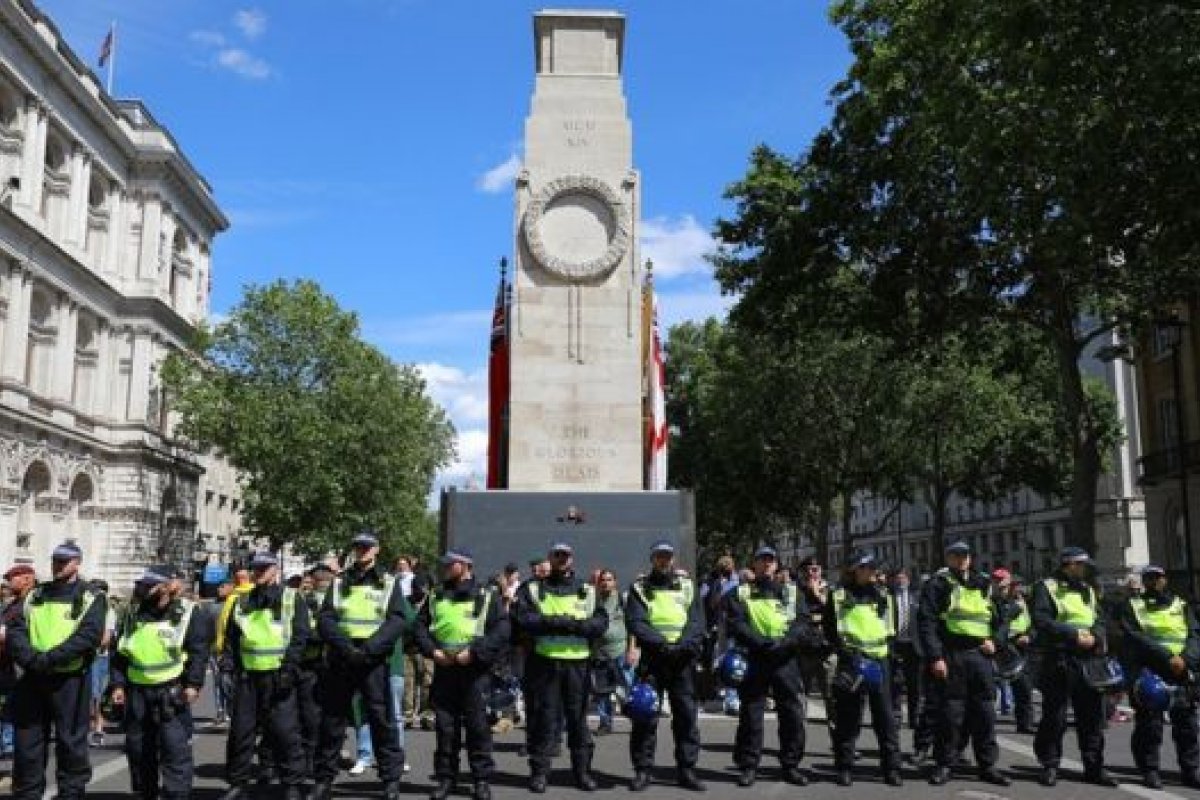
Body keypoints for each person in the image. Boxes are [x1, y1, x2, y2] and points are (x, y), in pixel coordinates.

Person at [310, 532, 410, 800]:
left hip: (373, 660)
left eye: (367, 547)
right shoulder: (339, 581)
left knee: (381, 720)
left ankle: (390, 780)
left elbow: (398, 621)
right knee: (332, 721)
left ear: (376, 550)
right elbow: (326, 619)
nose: (362, 551)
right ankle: (324, 780)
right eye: (358, 547)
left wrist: (367, 650)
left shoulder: (389, 583)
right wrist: (347, 649)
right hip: (342, 659)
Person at [6, 541, 106, 800]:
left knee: (70, 745)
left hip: (69, 680)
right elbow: (16, 628)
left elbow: (88, 636)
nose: (58, 566)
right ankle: (27, 794)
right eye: (55, 561)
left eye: (64, 561)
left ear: (76, 563)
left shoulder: (91, 597)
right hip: (33, 678)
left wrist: (49, 659)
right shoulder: (34, 595)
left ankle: (70, 794)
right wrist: (31, 659)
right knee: (27, 745)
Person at [515, 541, 609, 793]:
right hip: (544, 664)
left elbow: (601, 622)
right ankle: (539, 774)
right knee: (543, 720)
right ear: (550, 559)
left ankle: (582, 773)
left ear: (572, 559)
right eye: (557, 555)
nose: (561, 559)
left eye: (565, 555)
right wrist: (556, 622)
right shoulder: (532, 588)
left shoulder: (587, 590)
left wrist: (575, 626)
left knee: (578, 721)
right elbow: (522, 618)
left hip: (577, 665)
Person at [416, 549, 509, 800]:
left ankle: (481, 780)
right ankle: (446, 779)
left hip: (474, 670)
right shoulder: (435, 595)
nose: (444, 568)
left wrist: (475, 653)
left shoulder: (487, 595)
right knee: (445, 728)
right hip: (445, 668)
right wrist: (432, 651)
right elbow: (420, 628)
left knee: (478, 727)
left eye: (450, 564)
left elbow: (501, 631)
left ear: (465, 566)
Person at [110, 566, 209, 800]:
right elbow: (119, 653)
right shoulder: (131, 614)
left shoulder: (187, 612)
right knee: (138, 749)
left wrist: (193, 684)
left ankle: (177, 795)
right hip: (137, 693)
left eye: (149, 585)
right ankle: (146, 792)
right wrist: (117, 685)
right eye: (142, 585)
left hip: (171, 692)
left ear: (166, 587)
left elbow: (198, 651)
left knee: (174, 750)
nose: (143, 590)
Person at [917, 541, 1010, 787]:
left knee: (985, 713)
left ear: (970, 558)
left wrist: (996, 642)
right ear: (948, 558)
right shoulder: (938, 584)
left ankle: (987, 765)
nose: (961, 560)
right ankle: (945, 763)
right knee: (950, 714)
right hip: (952, 654)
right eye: (956, 556)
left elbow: (1003, 620)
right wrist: (935, 656)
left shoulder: (984, 584)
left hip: (980, 655)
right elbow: (926, 623)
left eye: (965, 556)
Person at [221, 552, 309, 800]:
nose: (258, 572)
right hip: (248, 676)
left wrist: (289, 669)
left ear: (275, 570)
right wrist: (229, 666)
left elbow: (300, 637)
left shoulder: (291, 598)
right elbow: (233, 638)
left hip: (279, 676)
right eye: (255, 568)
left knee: (285, 732)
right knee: (241, 732)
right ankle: (237, 784)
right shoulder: (242, 601)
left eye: (263, 568)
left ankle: (291, 784)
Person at [724, 545, 814, 787]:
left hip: (785, 659)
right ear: (754, 564)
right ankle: (749, 765)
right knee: (751, 715)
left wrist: (785, 643)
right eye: (761, 560)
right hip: (756, 657)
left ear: (776, 565)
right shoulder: (740, 592)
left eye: (770, 561)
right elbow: (736, 623)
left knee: (792, 714)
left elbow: (803, 622)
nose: (766, 564)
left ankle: (790, 765)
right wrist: (762, 643)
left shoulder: (792, 592)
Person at [625, 541, 706, 792]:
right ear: (652, 559)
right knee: (645, 717)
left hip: (681, 660)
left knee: (685, 718)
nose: (664, 560)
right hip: (653, 660)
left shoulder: (687, 585)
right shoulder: (639, 587)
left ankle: (686, 770)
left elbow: (697, 622)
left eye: (667, 556)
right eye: (659, 556)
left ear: (673, 559)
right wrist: (662, 645)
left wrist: (681, 646)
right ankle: (642, 771)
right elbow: (636, 622)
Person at [1031, 546, 1116, 787]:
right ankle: (1050, 764)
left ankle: (1094, 767)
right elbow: (1042, 620)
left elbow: (1099, 618)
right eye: (1082, 565)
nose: (1086, 569)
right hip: (1060, 657)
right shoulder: (1046, 587)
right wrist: (1073, 635)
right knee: (1055, 716)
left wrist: (1096, 636)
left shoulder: (1088, 590)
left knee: (1092, 717)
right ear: (1070, 565)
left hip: (1088, 658)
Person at [1119, 564, 1200, 789]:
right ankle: (1150, 770)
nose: (1155, 581)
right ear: (1144, 581)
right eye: (1150, 578)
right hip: (1150, 669)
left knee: (1187, 725)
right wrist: (1168, 657)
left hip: (1181, 670)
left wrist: (1186, 659)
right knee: (1150, 725)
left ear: (1165, 579)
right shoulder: (1132, 605)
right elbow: (1134, 636)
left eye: (1158, 577)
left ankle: (1190, 770)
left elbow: (1194, 635)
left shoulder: (1181, 605)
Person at [826, 552, 902, 786]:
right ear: (853, 570)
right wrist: (845, 652)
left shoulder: (884, 596)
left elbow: (892, 629)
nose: (870, 572)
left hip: (880, 662)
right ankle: (845, 767)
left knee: (885, 718)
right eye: (864, 568)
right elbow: (830, 630)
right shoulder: (838, 596)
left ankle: (891, 768)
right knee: (848, 718)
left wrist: (890, 655)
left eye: (872, 568)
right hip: (852, 661)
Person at [298, 564, 334, 778]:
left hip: (315, 663)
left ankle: (312, 760)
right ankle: (315, 761)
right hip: (319, 662)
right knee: (317, 716)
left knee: (311, 716)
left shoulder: (309, 600)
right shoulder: (309, 600)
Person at [0, 565, 37, 768]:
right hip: (6, 665)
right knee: (7, 708)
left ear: (27, 579)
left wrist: (7, 636)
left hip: (23, 665)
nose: (8, 583)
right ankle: (8, 747)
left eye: (12, 578)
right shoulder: (11, 605)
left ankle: (13, 750)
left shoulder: (34, 604)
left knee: (18, 710)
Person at [593, 568, 633, 736]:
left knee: (627, 689)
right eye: (603, 580)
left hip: (620, 651)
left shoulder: (623, 599)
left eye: (609, 580)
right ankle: (605, 723)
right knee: (601, 691)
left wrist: (632, 649)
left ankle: (637, 719)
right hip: (600, 653)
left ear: (615, 582)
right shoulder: (593, 601)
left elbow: (632, 626)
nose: (605, 583)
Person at [994, 571, 1036, 733]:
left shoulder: (1021, 602)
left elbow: (1031, 623)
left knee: (1024, 688)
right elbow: (999, 625)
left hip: (1022, 645)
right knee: (1003, 686)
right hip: (1006, 646)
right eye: (998, 582)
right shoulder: (995, 602)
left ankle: (1025, 723)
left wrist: (1028, 636)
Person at [888, 567, 921, 732]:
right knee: (896, 682)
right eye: (898, 578)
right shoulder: (889, 597)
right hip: (896, 644)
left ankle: (914, 717)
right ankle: (896, 716)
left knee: (915, 684)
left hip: (914, 646)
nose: (900, 580)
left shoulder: (917, 596)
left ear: (908, 579)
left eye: (903, 577)